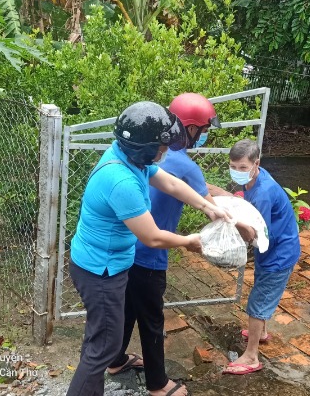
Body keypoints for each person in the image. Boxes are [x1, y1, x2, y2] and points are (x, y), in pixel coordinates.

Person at [67, 101, 230, 396]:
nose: (166, 152)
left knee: (103, 338)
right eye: (162, 146)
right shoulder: (120, 181)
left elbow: (169, 183)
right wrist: (190, 242)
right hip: (100, 271)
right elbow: (152, 237)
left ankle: (108, 364)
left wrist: (207, 206)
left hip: (104, 263)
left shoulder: (130, 157)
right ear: (143, 148)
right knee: (103, 348)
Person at [107, 93, 220, 396]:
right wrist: (243, 223)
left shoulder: (146, 157)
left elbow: (182, 185)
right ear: (190, 129)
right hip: (152, 253)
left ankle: (116, 360)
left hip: (129, 250)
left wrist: (210, 202)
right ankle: (158, 384)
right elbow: (204, 197)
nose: (205, 135)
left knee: (129, 308)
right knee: (152, 320)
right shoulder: (178, 163)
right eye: (203, 129)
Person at [221, 139, 301, 375]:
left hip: (278, 254)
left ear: (256, 164)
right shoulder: (257, 178)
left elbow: (253, 233)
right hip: (273, 249)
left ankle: (252, 355)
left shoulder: (263, 193)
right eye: (233, 167)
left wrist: (226, 224)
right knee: (262, 291)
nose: (237, 172)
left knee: (257, 303)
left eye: (242, 168)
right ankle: (262, 332)